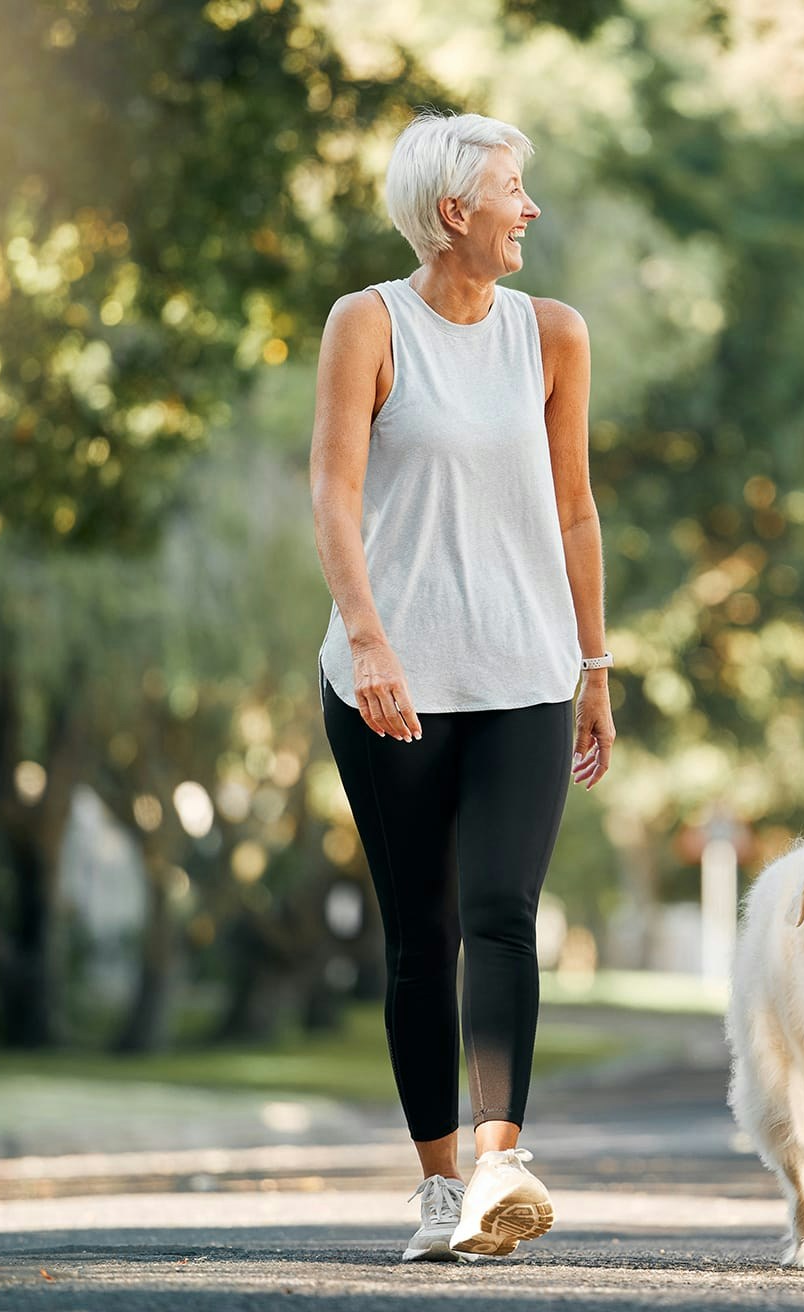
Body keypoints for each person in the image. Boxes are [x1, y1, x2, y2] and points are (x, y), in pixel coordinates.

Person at [311, 110, 615, 1262]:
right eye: (511, 191)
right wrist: (370, 639)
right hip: (391, 680)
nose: (529, 209)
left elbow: (577, 506)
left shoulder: (553, 335)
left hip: (525, 670)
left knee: (501, 913)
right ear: (454, 213)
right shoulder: (367, 323)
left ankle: (498, 1164)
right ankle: (439, 1183)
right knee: (419, 928)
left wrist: (593, 663)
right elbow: (336, 494)